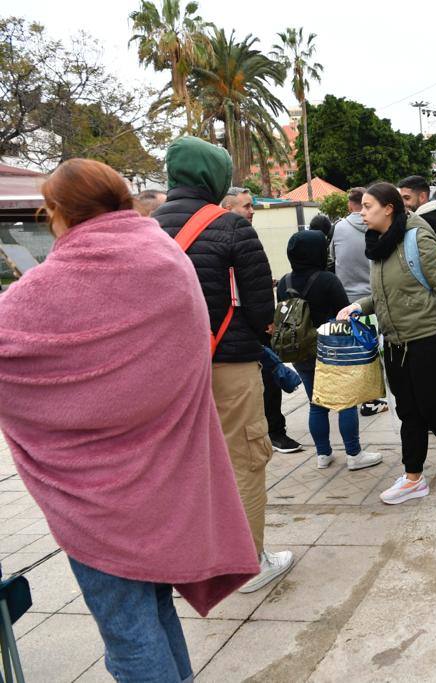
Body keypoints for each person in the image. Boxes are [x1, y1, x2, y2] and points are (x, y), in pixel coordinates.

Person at [0, 159, 259, 681]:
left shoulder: (55, 280)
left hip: (94, 497)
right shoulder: (163, 254)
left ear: (59, 212)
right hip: (165, 475)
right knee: (156, 613)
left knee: (127, 633)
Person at [152, 136, 292, 593]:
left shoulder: (146, 228)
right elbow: (261, 307)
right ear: (214, 177)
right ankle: (247, 563)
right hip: (226, 364)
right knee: (244, 459)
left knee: (186, 465)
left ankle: (195, 559)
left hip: (167, 372)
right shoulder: (231, 227)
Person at [338, 183, 436, 503]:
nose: (362, 212)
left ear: (389, 209)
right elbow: (388, 293)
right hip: (395, 341)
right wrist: (360, 306)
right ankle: (417, 475)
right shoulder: (379, 244)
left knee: (427, 407)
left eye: (368, 206)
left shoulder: (417, 239)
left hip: (428, 338)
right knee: (409, 411)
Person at [278, 230, 383, 472]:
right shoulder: (327, 280)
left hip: (301, 351)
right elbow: (344, 314)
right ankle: (354, 454)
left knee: (316, 404)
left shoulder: (284, 282)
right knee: (346, 402)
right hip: (330, 350)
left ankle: (323, 454)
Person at [222, 186, 303, 454]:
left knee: (269, 380)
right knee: (261, 380)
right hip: (238, 325)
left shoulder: (243, 234)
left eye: (251, 205)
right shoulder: (224, 237)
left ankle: (274, 432)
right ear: (227, 208)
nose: (251, 211)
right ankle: (268, 434)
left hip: (252, 322)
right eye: (245, 206)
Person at [331, 187, 387, 417]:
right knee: (378, 351)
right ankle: (374, 398)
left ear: (349, 204)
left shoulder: (339, 228)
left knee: (357, 352)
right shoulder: (381, 227)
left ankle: (361, 396)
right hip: (375, 299)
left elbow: (334, 259)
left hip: (348, 301)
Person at [398, 175, 436, 257]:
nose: (403, 203)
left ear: (422, 197)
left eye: (407, 198)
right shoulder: (432, 218)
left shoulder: (425, 223)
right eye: (402, 199)